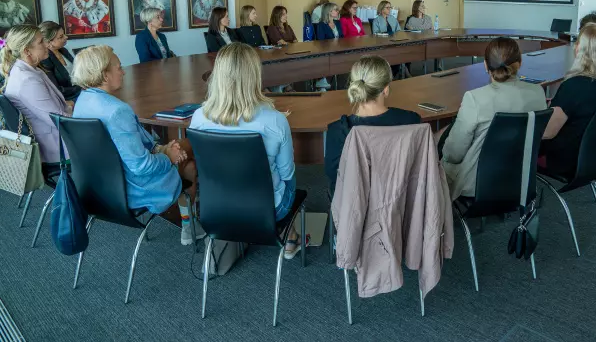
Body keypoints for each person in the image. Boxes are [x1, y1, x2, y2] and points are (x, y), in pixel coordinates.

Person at [71, 45, 203, 245]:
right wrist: (167, 155)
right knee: (191, 152)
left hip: (98, 187)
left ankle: (189, 224)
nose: (123, 71)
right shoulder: (117, 111)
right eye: (118, 67)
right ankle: (192, 222)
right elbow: (140, 166)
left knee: (186, 160)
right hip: (131, 188)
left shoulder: (82, 101)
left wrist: (164, 150)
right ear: (105, 75)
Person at [189, 43, 302, 259]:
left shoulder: (198, 117)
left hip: (216, 207)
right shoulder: (275, 121)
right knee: (289, 177)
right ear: (255, 76)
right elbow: (287, 173)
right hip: (268, 209)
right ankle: (290, 237)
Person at [440, 37, 547, 200]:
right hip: (520, 177)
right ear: (520, 62)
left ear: (485, 65)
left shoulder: (475, 98)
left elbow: (454, 154)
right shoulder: (538, 93)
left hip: (477, 183)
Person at [324, 55, 421, 195]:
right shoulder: (411, 120)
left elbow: (335, 176)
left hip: (357, 208)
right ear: (386, 89)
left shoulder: (338, 131)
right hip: (400, 201)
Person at [539, 23, 596, 177]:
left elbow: (547, 133)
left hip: (564, 160)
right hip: (595, 157)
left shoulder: (573, 86)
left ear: (579, 49)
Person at [0, 25, 72, 178]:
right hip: (56, 147)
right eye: (41, 42)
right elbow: (59, 119)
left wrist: (70, 106)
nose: (47, 44)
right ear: (27, 51)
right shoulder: (27, 80)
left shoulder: (27, 71)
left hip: (51, 139)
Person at [38, 21, 81, 102]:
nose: (66, 37)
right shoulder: (44, 61)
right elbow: (56, 90)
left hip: (80, 92)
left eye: (64, 34)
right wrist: (81, 88)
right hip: (68, 99)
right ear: (48, 42)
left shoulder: (64, 50)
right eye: (61, 37)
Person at [314, 3, 342, 90]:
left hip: (339, 50)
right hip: (327, 51)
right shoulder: (321, 25)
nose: (338, 11)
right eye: (335, 10)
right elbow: (321, 41)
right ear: (329, 12)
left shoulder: (337, 23)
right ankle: (322, 81)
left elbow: (342, 37)